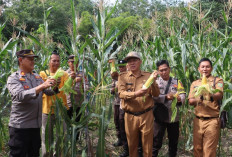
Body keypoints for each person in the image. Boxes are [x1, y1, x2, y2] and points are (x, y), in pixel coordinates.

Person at [7, 49, 57, 157]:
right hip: (20, 127)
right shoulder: (14, 78)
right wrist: (43, 86)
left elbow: (47, 92)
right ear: (20, 60)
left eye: (33, 59)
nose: (33, 61)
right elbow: (20, 96)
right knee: (18, 154)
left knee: (34, 153)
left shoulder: (36, 77)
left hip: (35, 126)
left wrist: (55, 86)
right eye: (30, 59)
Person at [118, 51, 160, 157]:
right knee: (132, 145)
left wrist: (153, 82)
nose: (132, 63)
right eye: (129, 61)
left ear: (140, 61)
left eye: (134, 60)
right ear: (127, 64)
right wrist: (136, 94)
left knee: (147, 145)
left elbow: (156, 94)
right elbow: (121, 94)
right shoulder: (122, 77)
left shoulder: (148, 76)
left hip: (146, 115)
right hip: (130, 115)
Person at [188, 58, 224, 157]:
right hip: (198, 120)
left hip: (212, 120)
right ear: (198, 69)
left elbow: (219, 95)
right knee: (197, 149)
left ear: (211, 68)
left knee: (209, 151)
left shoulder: (217, 81)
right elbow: (191, 101)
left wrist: (207, 94)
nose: (205, 69)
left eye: (207, 66)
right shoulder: (195, 83)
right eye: (202, 67)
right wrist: (200, 98)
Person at [152, 60, 186, 157]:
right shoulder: (156, 83)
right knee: (156, 141)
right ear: (158, 72)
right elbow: (153, 97)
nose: (164, 72)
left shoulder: (177, 82)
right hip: (159, 117)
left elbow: (183, 94)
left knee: (173, 141)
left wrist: (180, 99)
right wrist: (165, 97)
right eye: (161, 70)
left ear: (169, 69)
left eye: (165, 69)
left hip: (173, 117)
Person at [40, 51, 69, 157]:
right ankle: (46, 155)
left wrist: (73, 79)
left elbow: (67, 89)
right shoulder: (43, 74)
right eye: (54, 61)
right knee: (47, 138)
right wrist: (53, 86)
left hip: (61, 111)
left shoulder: (64, 74)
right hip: (47, 110)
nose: (56, 63)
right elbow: (45, 92)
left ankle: (58, 154)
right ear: (49, 62)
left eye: (58, 61)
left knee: (61, 136)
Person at [110, 59, 129, 157]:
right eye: (120, 66)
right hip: (116, 102)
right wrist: (112, 90)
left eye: (123, 66)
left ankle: (127, 146)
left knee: (123, 124)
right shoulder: (115, 77)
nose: (121, 68)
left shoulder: (128, 76)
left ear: (126, 66)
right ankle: (120, 140)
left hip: (124, 103)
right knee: (116, 121)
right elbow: (111, 89)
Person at [66, 55, 88, 134]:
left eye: (76, 62)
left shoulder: (82, 74)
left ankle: (75, 140)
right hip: (68, 103)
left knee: (77, 123)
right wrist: (73, 81)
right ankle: (68, 140)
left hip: (79, 103)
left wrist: (84, 87)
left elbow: (88, 87)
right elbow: (64, 88)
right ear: (68, 63)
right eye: (72, 62)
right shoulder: (65, 74)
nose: (74, 64)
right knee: (67, 123)